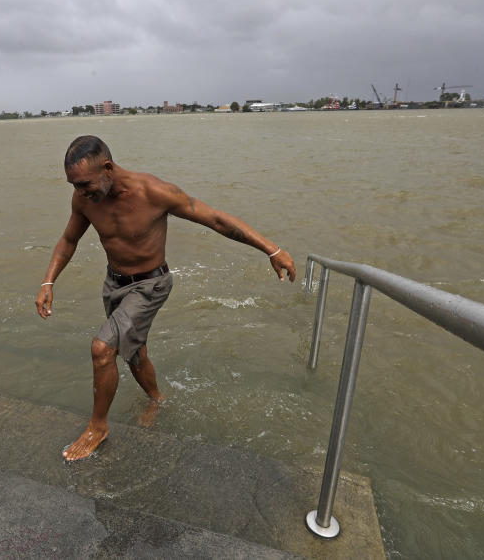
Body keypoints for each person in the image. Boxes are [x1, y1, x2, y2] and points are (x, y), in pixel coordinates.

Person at [35, 135, 296, 461]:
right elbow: (68, 240)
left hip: (150, 286)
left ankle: (97, 427)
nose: (80, 192)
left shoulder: (154, 192)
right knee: (134, 354)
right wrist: (49, 280)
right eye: (73, 186)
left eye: (84, 184)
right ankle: (157, 399)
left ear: (107, 168)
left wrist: (271, 249)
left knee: (102, 349)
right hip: (114, 284)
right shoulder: (85, 200)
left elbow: (215, 218)